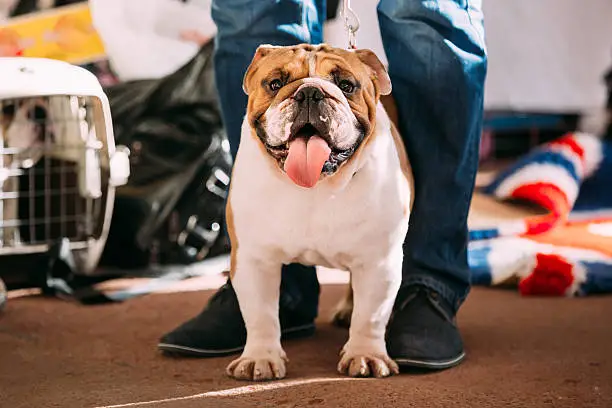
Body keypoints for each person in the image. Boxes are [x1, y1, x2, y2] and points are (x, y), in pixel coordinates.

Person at [158, 0, 487, 370]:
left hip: (375, 193)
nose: (310, 99)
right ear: (251, 79)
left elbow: (379, 262)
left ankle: (423, 287)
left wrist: (367, 342)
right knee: (252, 9)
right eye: (277, 83)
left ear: (376, 81)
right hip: (264, 185)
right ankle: (267, 322)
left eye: (345, 85)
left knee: (426, 12)